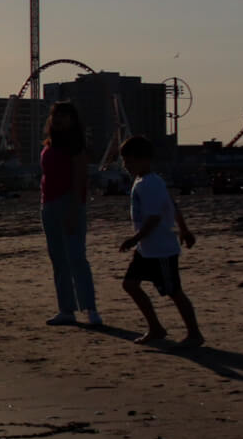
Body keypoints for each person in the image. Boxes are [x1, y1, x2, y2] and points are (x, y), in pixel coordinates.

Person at [116, 136, 203, 347]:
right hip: (146, 249)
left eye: (130, 161)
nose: (126, 165)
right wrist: (184, 230)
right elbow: (172, 205)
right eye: (125, 161)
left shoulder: (151, 183)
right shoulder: (142, 181)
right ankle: (155, 327)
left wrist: (134, 239)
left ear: (144, 159)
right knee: (130, 284)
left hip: (161, 250)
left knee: (174, 291)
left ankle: (194, 333)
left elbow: (155, 217)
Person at [39, 101, 99, 327]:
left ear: (73, 120)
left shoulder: (76, 147)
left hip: (70, 204)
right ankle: (66, 309)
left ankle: (90, 308)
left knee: (76, 258)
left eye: (64, 116)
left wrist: (74, 210)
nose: (59, 120)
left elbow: (79, 180)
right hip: (48, 205)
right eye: (56, 116)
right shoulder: (48, 146)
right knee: (59, 260)